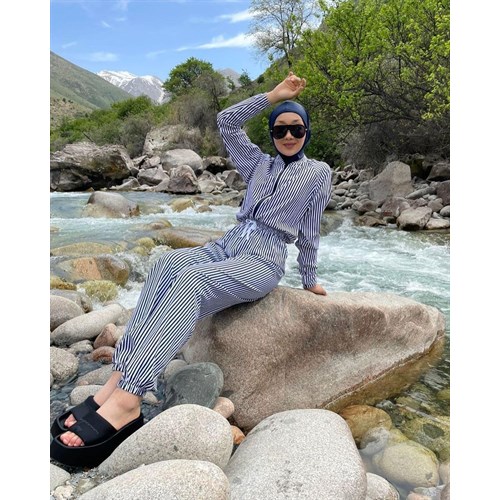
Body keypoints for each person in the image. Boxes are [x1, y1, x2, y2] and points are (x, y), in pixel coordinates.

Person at [50, 71, 333, 467]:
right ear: (271, 133)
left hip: (262, 260)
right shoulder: (258, 164)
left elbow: (311, 228)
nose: (288, 136)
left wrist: (309, 278)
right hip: (227, 245)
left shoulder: (318, 172)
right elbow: (227, 122)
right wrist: (272, 96)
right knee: (166, 263)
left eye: (296, 129)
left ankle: (129, 398)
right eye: (280, 129)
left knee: (192, 281)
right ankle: (117, 378)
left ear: (307, 131)